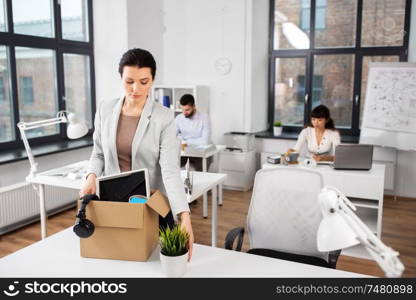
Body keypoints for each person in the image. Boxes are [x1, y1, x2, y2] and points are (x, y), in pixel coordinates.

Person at [79, 48, 194, 261]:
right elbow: (99, 154)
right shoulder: (105, 109)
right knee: (115, 262)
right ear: (120, 77)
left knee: (153, 266)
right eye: (129, 81)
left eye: (143, 81)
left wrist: (184, 216)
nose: (136, 89)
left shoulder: (164, 117)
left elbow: (169, 171)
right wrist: (91, 176)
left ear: (152, 80)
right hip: (113, 203)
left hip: (150, 205)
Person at [175, 94, 212, 170]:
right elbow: (172, 136)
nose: (184, 112)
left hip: (200, 153)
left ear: (194, 106)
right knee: (173, 167)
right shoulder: (179, 118)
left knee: (199, 174)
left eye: (187, 110)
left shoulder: (204, 118)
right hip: (184, 153)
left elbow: (204, 141)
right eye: (182, 110)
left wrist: (185, 141)